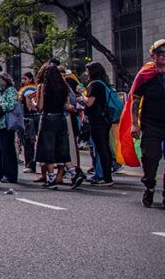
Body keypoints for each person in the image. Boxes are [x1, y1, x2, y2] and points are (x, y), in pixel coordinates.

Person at [127, 39, 165, 208]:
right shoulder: (145, 74)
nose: (164, 56)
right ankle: (149, 186)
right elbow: (135, 100)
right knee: (150, 157)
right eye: (160, 53)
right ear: (153, 55)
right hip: (151, 124)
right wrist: (134, 124)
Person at [34, 62, 75, 190]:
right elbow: (66, 105)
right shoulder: (63, 86)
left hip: (48, 118)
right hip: (61, 118)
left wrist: (33, 101)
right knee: (62, 148)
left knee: (48, 149)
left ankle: (51, 179)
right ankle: (74, 173)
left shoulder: (42, 86)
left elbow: (40, 107)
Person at [82, 62, 115, 186]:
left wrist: (82, 96)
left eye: (87, 71)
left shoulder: (95, 84)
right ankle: (105, 175)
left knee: (100, 148)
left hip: (97, 119)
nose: (86, 74)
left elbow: (89, 102)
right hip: (105, 119)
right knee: (104, 146)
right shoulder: (103, 83)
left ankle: (105, 177)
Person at [0, 73, 20, 184]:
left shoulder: (11, 90)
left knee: (8, 150)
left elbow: (11, 105)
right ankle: (1, 172)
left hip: (7, 123)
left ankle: (10, 174)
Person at [19, 72, 39, 173]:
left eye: (25, 79)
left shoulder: (34, 91)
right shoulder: (22, 91)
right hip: (26, 117)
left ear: (31, 79)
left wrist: (28, 99)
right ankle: (30, 164)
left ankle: (32, 164)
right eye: (22, 79)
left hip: (32, 117)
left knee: (30, 141)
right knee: (27, 142)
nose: (23, 81)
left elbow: (32, 108)